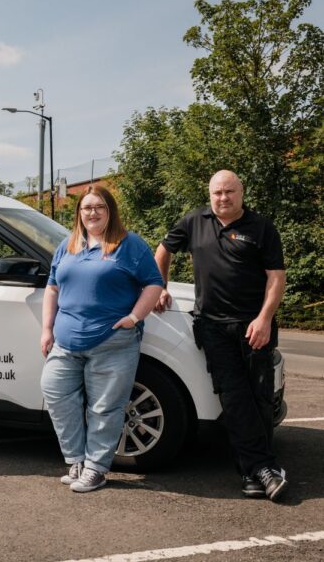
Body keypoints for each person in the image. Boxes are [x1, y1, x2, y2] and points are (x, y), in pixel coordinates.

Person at [154, 170, 288, 501]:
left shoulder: (261, 227)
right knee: (234, 396)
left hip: (254, 327)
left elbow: (276, 277)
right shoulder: (193, 221)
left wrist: (264, 318)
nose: (223, 197)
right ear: (209, 194)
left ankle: (252, 474)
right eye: (217, 192)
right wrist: (160, 287)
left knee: (259, 397)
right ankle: (264, 469)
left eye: (229, 191)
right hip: (213, 327)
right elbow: (163, 250)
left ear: (241, 193)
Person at [40, 185, 163, 492]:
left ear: (110, 211)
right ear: (79, 213)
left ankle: (96, 468)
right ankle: (76, 460)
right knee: (55, 393)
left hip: (112, 342)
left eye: (99, 207)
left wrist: (134, 318)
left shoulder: (129, 244)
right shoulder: (68, 245)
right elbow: (52, 288)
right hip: (66, 342)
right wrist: (47, 329)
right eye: (87, 207)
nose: (92, 212)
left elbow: (153, 284)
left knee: (105, 407)